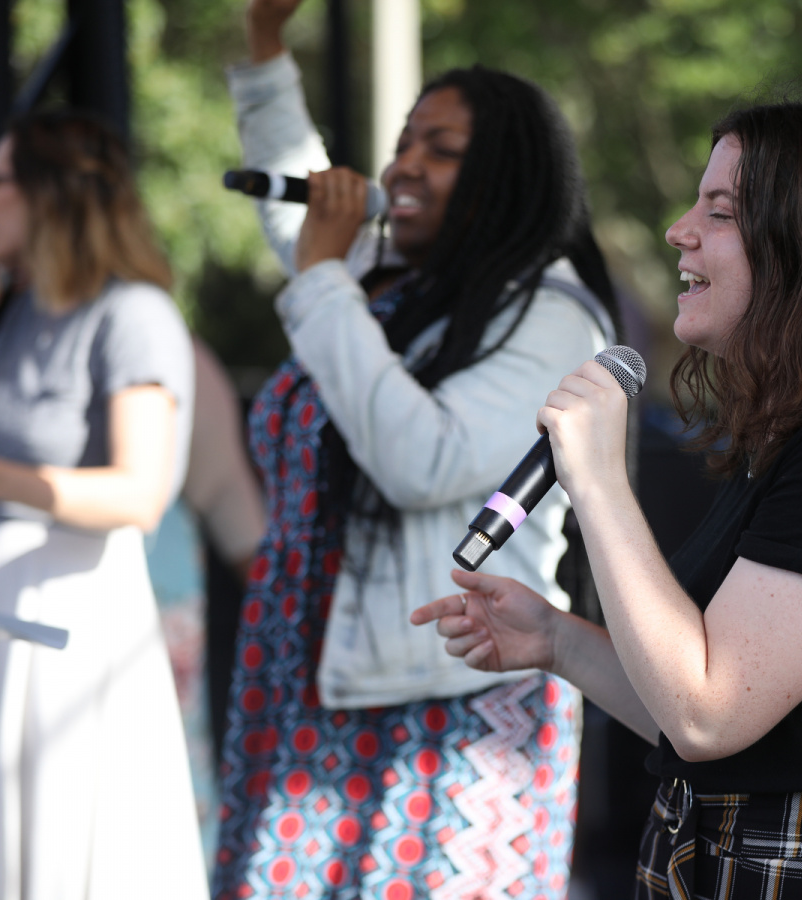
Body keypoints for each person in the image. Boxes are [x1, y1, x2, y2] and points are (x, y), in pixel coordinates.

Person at [415, 100, 802, 899]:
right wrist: (557, 641)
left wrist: (596, 481)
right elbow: (704, 714)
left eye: (721, 212)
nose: (679, 231)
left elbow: (708, 715)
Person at [212, 2, 617, 898]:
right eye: (403, 143)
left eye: (440, 149)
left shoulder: (550, 319)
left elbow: (421, 461)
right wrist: (267, 51)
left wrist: (325, 276)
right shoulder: (390, 286)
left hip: (452, 700)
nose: (402, 165)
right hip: (311, 674)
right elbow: (299, 212)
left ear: (506, 176)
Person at [0, 111, 206, 899]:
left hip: (75, 601)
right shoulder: (25, 314)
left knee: (68, 840)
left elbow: (141, 491)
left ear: (47, 192)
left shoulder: (132, 314)